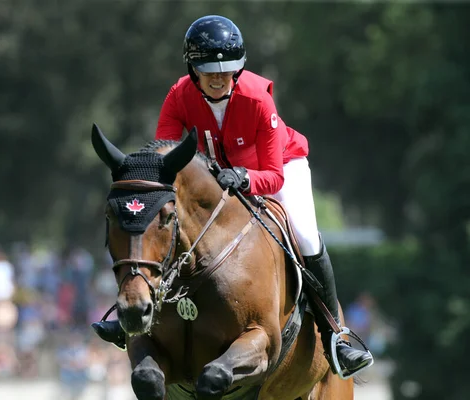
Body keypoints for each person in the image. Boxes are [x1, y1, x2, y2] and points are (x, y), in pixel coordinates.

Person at [92, 15, 373, 378]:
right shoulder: (179, 95)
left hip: (278, 169)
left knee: (304, 235)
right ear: (193, 70)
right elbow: (166, 154)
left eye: (226, 71)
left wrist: (243, 177)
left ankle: (337, 336)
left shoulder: (257, 98)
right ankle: (135, 313)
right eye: (209, 71)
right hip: (218, 175)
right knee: (170, 225)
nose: (218, 79)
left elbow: (272, 177)